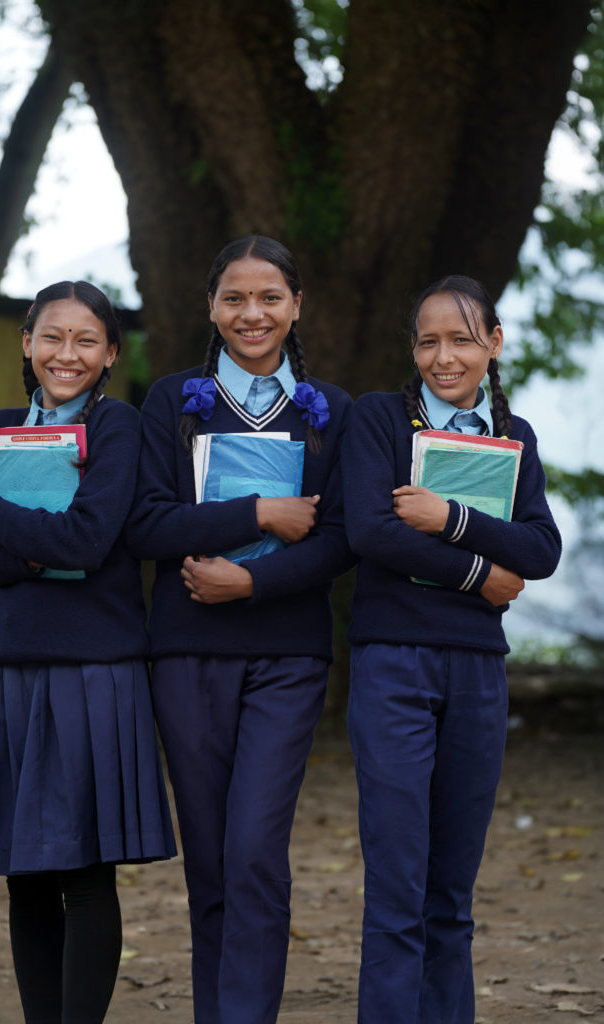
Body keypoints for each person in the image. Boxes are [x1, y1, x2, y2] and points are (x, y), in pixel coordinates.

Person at [0, 280, 176, 1024]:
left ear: (109, 356)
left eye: (84, 341)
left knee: (81, 871)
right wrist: (36, 551)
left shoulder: (117, 430)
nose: (65, 354)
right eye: (51, 337)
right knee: (24, 875)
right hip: (11, 672)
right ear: (27, 344)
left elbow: (89, 538)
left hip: (93, 672)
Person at [127, 235, 355, 1024]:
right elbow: (146, 523)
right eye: (234, 298)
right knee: (212, 862)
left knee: (255, 851)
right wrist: (257, 513)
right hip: (186, 652)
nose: (251, 314)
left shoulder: (330, 410)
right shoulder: (171, 401)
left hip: (288, 657)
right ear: (212, 307)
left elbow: (339, 540)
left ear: (296, 306)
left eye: (268, 298)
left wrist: (251, 578)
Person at [342, 275, 562, 1024]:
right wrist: (481, 575)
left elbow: (540, 549)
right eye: (429, 341)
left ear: (493, 345)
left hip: (475, 672)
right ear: (412, 348)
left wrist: (448, 518)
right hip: (392, 665)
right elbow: (370, 531)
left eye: (462, 339)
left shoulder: (513, 437)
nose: (445, 357)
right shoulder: (378, 421)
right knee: (398, 885)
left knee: (451, 894)